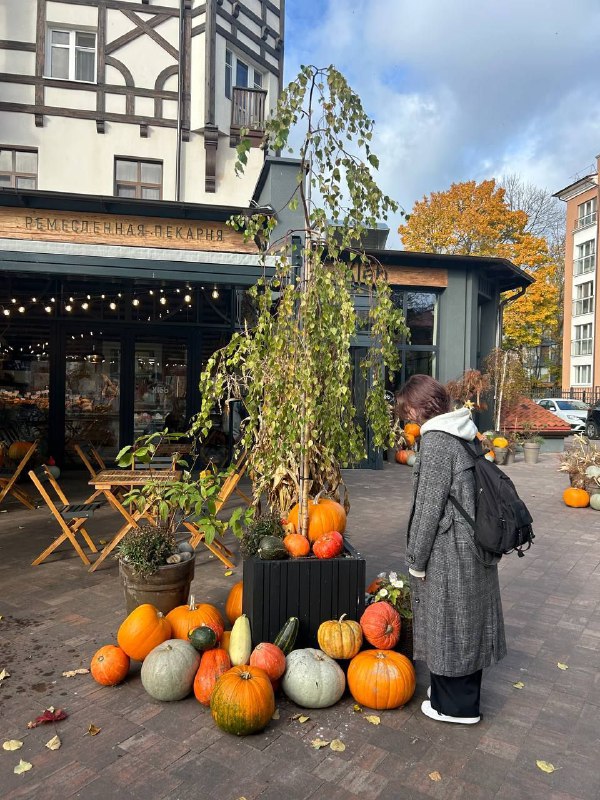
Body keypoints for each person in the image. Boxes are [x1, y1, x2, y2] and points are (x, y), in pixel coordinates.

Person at [396, 374, 506, 724]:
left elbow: (428, 507)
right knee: (465, 621)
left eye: (408, 410)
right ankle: (451, 696)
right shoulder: (462, 431)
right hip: (471, 543)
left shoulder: (437, 442)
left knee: (449, 622)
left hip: (451, 550)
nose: (408, 418)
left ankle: (455, 708)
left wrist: (416, 558)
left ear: (419, 405)